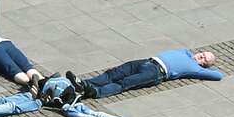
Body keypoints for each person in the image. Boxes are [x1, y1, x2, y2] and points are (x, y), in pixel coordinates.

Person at [78, 47, 221, 99]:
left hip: (156, 72)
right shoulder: (185, 53)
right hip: (146, 61)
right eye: (202, 54)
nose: (200, 56)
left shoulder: (195, 68)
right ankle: (87, 83)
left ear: (204, 65)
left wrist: (207, 66)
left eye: (204, 59)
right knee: (113, 73)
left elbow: (218, 75)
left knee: (124, 83)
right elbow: (186, 50)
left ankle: (95, 92)